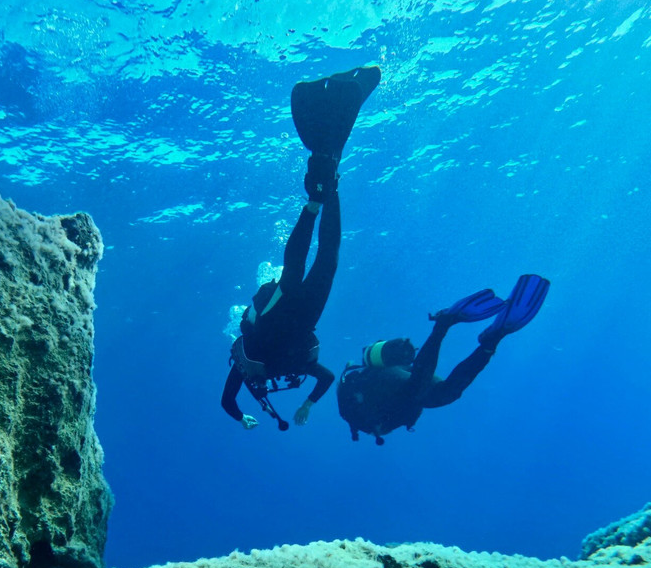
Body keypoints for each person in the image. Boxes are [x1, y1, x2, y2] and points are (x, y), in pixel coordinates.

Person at [222, 65, 381, 431]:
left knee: (292, 273)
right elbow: (325, 379)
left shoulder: (246, 368)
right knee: (329, 261)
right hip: (306, 317)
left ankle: (313, 204)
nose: (265, 385)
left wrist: (240, 415)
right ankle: (332, 184)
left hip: (273, 319)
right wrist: (308, 403)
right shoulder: (301, 367)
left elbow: (226, 399)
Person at [337, 274, 550, 444]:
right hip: (398, 390)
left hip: (385, 383)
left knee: (423, 390)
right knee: (444, 393)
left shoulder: (368, 410)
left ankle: (444, 323)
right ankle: (491, 340)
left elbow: (409, 388)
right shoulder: (380, 414)